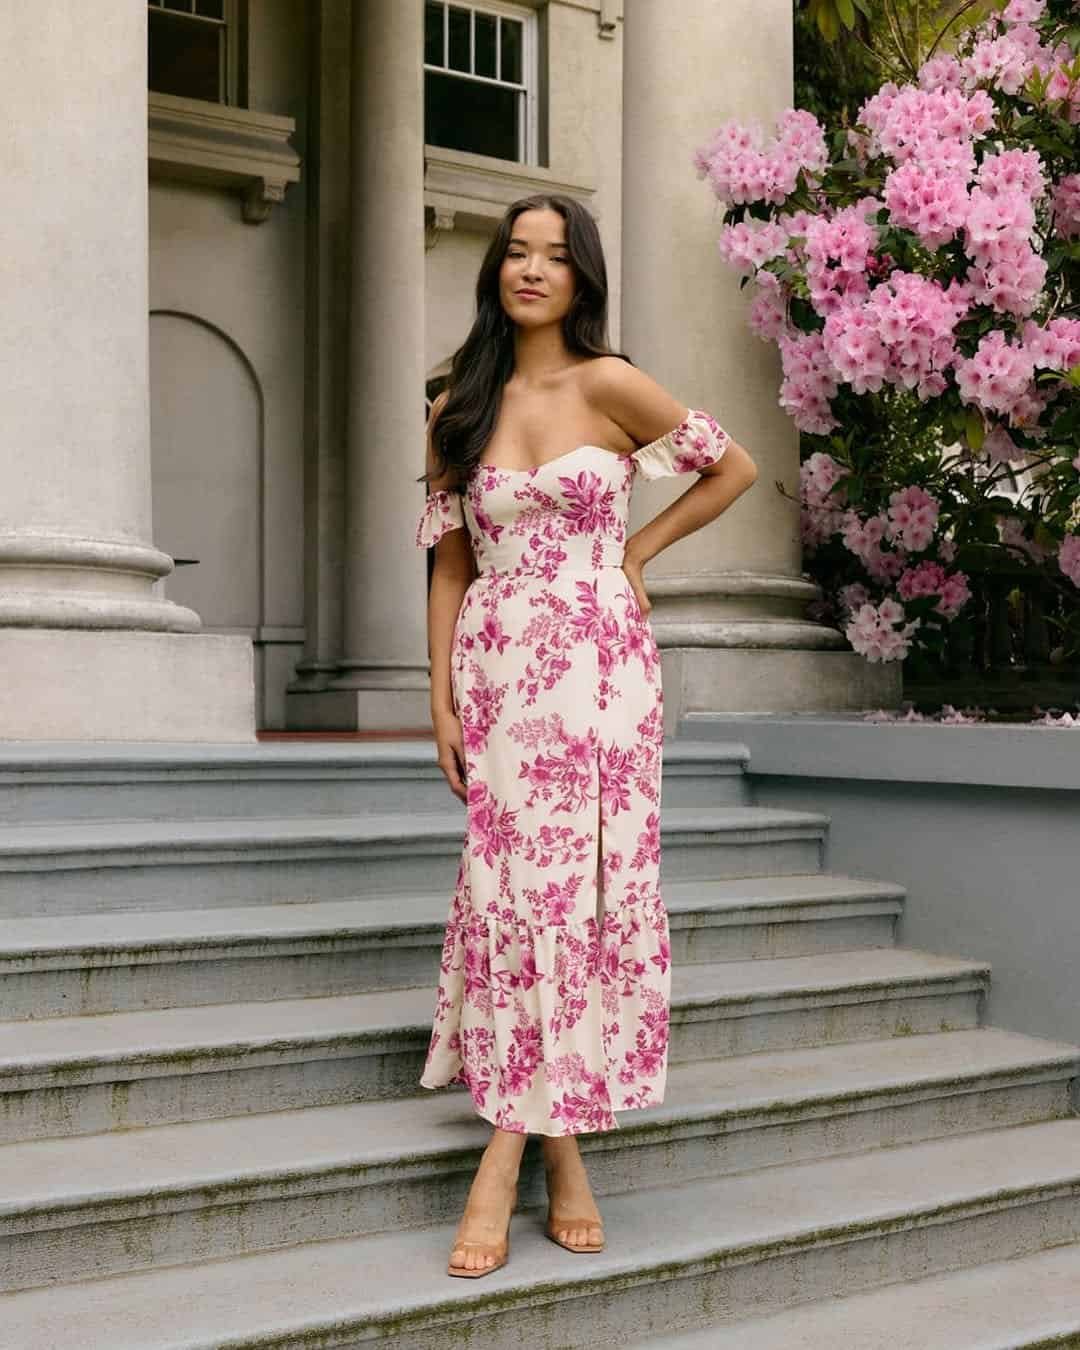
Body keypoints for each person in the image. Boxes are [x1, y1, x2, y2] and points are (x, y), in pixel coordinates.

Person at [414, 192, 758, 1278]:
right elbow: (452, 562)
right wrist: (438, 693)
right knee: (516, 894)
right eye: (516, 252)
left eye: (554, 257)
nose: (531, 270)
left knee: (576, 894)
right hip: (499, 668)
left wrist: (637, 554)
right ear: (496, 270)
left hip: (602, 669)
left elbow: (732, 465)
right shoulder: (452, 404)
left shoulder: (610, 383)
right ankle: (565, 1153)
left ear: (582, 277)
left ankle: (504, 1154)